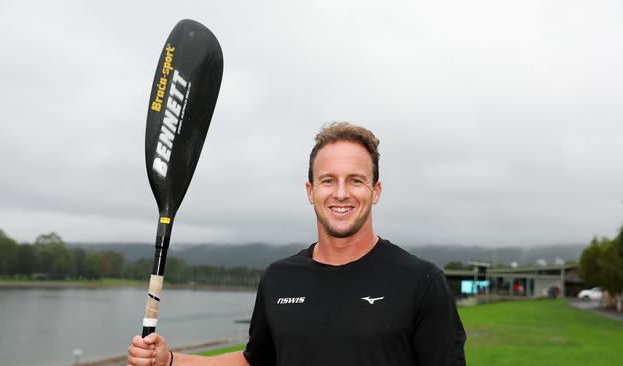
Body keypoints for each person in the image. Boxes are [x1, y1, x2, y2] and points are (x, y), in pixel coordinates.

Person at [128, 122, 466, 366]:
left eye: (356, 180)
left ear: (375, 191)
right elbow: (255, 362)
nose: (341, 193)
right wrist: (169, 361)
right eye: (328, 180)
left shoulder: (421, 282)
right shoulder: (279, 278)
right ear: (311, 191)